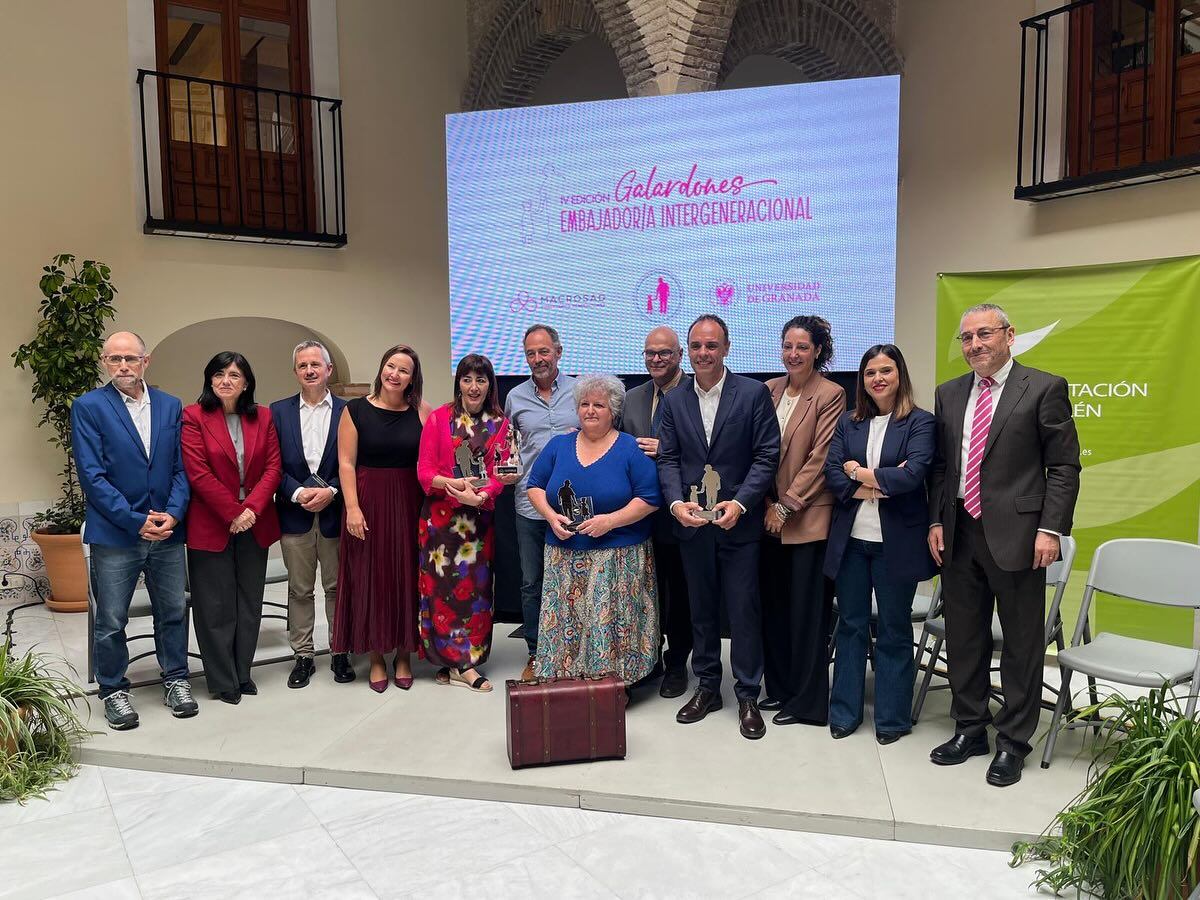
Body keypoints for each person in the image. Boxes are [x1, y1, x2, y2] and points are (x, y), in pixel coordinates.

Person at [928, 303, 1080, 787]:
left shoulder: (1043, 387)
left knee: (1021, 644)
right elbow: (940, 468)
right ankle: (970, 728)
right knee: (965, 638)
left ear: (1010, 335)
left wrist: (1050, 529)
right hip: (959, 533)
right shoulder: (949, 393)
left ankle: (1013, 742)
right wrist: (936, 520)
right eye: (966, 338)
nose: (974, 345)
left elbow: (1065, 466)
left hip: (1019, 537)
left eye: (984, 334)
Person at [658, 314, 781, 740]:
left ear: (726, 348)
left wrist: (742, 503)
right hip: (692, 526)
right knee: (701, 611)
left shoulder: (752, 394)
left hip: (737, 526)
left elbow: (767, 456)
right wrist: (675, 503)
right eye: (696, 346)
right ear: (687, 352)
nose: (703, 353)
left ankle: (747, 693)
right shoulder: (674, 401)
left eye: (711, 346)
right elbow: (668, 458)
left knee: (744, 611)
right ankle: (708, 687)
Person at [72, 331, 196, 730]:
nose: (123, 366)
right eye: (114, 359)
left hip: (167, 532)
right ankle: (114, 690)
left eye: (130, 358)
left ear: (147, 361)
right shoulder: (89, 407)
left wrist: (173, 515)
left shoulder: (171, 406)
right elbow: (92, 476)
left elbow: (181, 468)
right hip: (116, 534)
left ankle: (176, 679)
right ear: (104, 363)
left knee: (173, 611)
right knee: (111, 619)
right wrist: (135, 519)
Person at [824, 344, 936, 743]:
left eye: (886, 370)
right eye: (870, 372)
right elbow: (832, 475)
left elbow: (913, 476)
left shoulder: (921, 423)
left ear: (900, 375)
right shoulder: (848, 423)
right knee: (851, 627)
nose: (878, 379)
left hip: (896, 546)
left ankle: (891, 720)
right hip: (852, 543)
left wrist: (859, 472)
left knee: (893, 629)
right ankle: (844, 714)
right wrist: (878, 481)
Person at [526, 375, 661, 684]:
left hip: (618, 555)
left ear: (612, 410)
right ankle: (565, 682)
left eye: (598, 405)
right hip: (564, 553)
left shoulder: (630, 448)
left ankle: (612, 686)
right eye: (584, 404)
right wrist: (550, 516)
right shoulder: (558, 445)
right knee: (566, 620)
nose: (590, 410)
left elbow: (651, 498)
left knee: (610, 622)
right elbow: (534, 487)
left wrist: (609, 521)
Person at [760, 315, 846, 728]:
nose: (793, 354)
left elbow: (822, 458)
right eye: (787, 346)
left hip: (806, 519)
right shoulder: (769, 390)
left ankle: (808, 702)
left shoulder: (830, 394)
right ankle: (778, 690)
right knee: (774, 610)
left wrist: (785, 506)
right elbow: (756, 451)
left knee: (807, 615)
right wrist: (763, 504)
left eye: (803, 347)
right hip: (765, 517)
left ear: (818, 351)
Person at [181, 352, 282, 705]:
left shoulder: (264, 417)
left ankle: (243, 672)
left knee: (248, 602)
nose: (227, 380)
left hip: (254, 523)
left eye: (235, 375)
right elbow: (197, 473)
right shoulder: (193, 416)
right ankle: (223, 681)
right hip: (211, 522)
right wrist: (233, 512)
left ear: (246, 382)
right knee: (214, 605)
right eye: (220, 374)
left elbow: (273, 468)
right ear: (209, 379)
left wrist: (251, 509)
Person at [334, 343, 431, 692]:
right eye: (391, 366)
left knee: (406, 575)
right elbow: (346, 462)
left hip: (409, 503)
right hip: (368, 502)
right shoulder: (355, 411)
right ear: (381, 369)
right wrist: (353, 507)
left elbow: (432, 463)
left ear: (412, 379)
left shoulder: (422, 413)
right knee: (371, 578)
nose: (395, 374)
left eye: (404, 370)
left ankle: (404, 653)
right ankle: (376, 656)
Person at [415, 353, 510, 692]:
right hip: (440, 523)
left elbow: (502, 472)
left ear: (490, 385)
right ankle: (453, 663)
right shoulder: (439, 418)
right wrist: (452, 487)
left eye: (481, 380)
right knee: (441, 592)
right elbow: (424, 472)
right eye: (467, 379)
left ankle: (464, 661)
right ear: (458, 382)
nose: (474, 386)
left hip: (478, 523)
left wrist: (485, 496)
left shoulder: (501, 423)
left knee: (475, 592)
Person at [269, 340, 351, 689]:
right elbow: (271, 463)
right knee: (299, 589)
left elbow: (352, 463)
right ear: (295, 372)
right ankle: (302, 655)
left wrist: (331, 490)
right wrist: (299, 492)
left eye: (316, 364)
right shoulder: (277, 412)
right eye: (303, 365)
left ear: (329, 370)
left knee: (336, 587)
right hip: (294, 512)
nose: (310, 370)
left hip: (335, 512)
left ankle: (340, 651)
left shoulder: (349, 411)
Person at [620, 325, 693, 698]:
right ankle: (650, 659)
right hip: (636, 509)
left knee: (678, 588)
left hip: (680, 506)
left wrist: (664, 446)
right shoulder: (631, 397)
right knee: (645, 589)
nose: (656, 359)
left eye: (664, 353)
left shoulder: (696, 393)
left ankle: (678, 661)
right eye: (650, 353)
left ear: (680, 355)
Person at [503, 324, 579, 681]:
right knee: (533, 583)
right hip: (530, 508)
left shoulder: (581, 390)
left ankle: (577, 651)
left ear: (559, 352)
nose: (538, 359)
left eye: (544, 351)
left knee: (578, 580)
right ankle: (536, 653)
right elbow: (510, 450)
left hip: (577, 506)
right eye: (531, 353)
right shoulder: (515, 398)